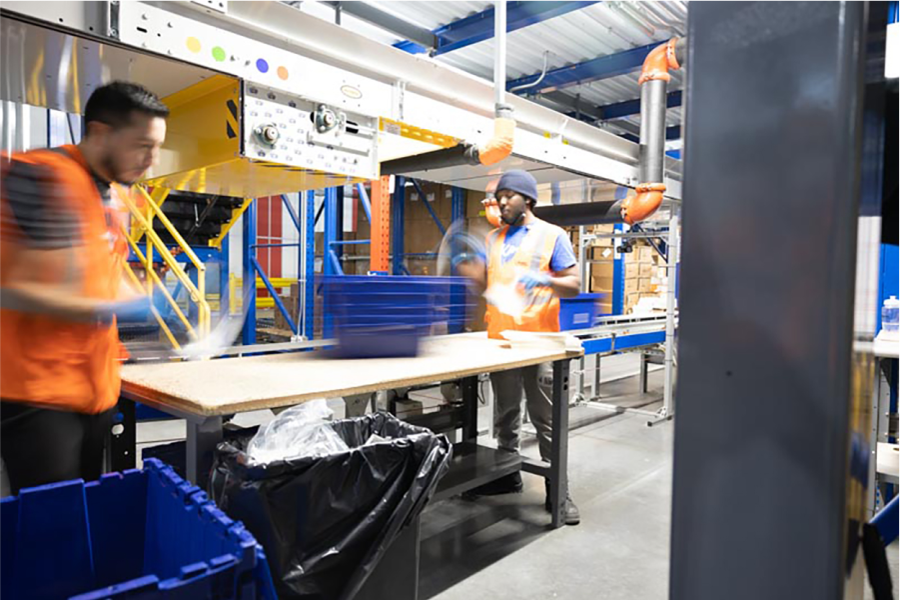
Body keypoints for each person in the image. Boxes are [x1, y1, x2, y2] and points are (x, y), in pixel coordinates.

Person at [0, 81, 169, 494]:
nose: (152, 160)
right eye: (142, 146)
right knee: (54, 532)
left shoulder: (115, 197)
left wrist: (135, 297)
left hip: (93, 391)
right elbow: (12, 288)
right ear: (99, 132)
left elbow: (95, 276)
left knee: (87, 514)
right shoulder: (40, 177)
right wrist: (115, 306)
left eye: (157, 147)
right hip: (37, 397)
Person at [456, 169, 582, 525]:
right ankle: (508, 475)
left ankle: (558, 490)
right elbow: (485, 283)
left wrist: (544, 278)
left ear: (527, 198)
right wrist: (468, 270)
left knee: (546, 419)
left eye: (507, 196)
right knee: (506, 416)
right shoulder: (494, 239)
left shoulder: (552, 236)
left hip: (540, 343)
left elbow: (573, 284)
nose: (501, 203)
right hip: (502, 344)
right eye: (498, 198)